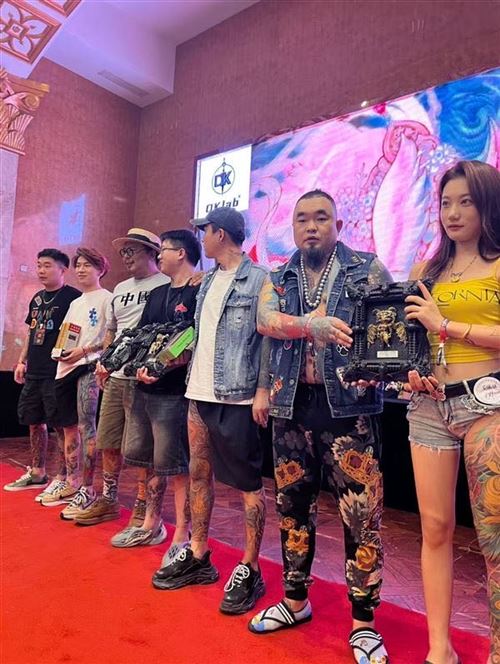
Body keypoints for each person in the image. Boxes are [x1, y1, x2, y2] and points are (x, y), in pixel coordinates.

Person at [248, 189, 392, 664]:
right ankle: (295, 601)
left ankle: (364, 624)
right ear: (293, 228)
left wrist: (381, 368)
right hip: (291, 407)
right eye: (303, 219)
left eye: (321, 218)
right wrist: (269, 384)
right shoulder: (279, 276)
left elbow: (388, 324)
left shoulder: (366, 269)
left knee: (361, 517)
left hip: (350, 410)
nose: (311, 227)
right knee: (292, 509)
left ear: (338, 225)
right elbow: (265, 323)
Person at [152, 207, 270, 617]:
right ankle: (199, 553)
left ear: (220, 233)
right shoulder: (206, 282)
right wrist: (167, 359)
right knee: (199, 474)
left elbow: (267, 340)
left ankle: (251, 566)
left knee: (248, 484)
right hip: (198, 392)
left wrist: (262, 389)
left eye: (204, 231)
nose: (201, 238)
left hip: (237, 396)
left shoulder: (259, 279)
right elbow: (198, 335)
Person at [404, 160, 500, 664]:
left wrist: (447, 326)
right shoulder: (426, 271)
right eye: (445, 203)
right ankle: (439, 649)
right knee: (436, 528)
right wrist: (411, 370)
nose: (453, 213)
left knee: (494, 534)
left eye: (466, 202)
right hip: (429, 405)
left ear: (487, 204)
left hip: (489, 404)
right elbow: (407, 342)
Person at [110, 229, 201, 552]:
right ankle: (151, 523)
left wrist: (164, 366)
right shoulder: (158, 294)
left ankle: (182, 536)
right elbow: (141, 336)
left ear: (182, 253)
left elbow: (193, 339)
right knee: (145, 459)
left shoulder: (199, 291)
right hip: (142, 388)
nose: (159, 254)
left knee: (175, 466)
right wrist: (130, 365)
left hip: (174, 393)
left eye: (164, 249)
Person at [74, 228, 169, 528]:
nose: (126, 257)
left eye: (132, 251)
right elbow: (112, 330)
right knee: (108, 439)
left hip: (143, 377)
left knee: (141, 448)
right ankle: (109, 499)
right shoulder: (120, 288)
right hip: (115, 375)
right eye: (123, 252)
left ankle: (143, 504)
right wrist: (105, 361)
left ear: (152, 252)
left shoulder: (166, 283)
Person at [39, 248, 112, 519]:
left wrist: (84, 351)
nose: (81, 269)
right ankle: (70, 481)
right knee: (66, 427)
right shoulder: (76, 302)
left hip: (88, 366)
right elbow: (68, 334)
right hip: (65, 368)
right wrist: (61, 353)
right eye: (78, 265)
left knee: (86, 426)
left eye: (87, 265)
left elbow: (110, 338)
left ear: (101, 269)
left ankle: (88, 488)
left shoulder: (108, 299)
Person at [5, 249, 80, 494]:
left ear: (62, 269)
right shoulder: (37, 298)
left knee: (61, 425)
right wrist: (21, 361)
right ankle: (37, 472)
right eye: (38, 265)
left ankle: (64, 477)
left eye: (47, 265)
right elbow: (31, 332)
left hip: (57, 371)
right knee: (34, 421)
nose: (41, 270)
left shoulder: (73, 298)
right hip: (34, 370)